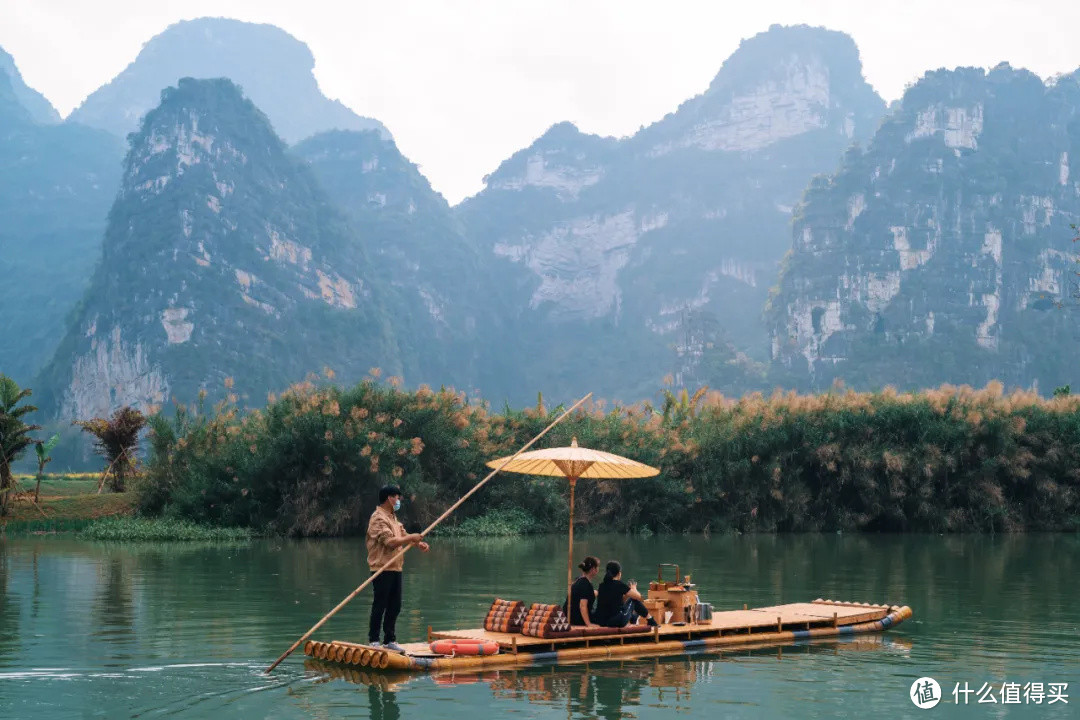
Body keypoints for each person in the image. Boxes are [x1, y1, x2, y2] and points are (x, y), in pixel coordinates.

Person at [366, 485, 428, 652]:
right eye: (397, 497)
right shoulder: (378, 518)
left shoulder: (393, 518)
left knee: (395, 605)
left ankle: (389, 640)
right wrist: (412, 537)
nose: (399, 500)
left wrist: (417, 543)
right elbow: (390, 542)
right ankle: (373, 640)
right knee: (380, 604)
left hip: (395, 567)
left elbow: (403, 535)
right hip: (381, 567)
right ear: (389, 498)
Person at [594, 560, 658, 628]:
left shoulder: (602, 585)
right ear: (619, 573)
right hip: (616, 621)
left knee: (629, 602)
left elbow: (617, 601)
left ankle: (634, 619)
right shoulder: (619, 584)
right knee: (633, 600)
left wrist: (627, 593)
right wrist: (634, 588)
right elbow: (638, 597)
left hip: (602, 622)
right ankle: (651, 620)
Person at [564, 556, 601, 626]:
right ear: (593, 569)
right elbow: (582, 606)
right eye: (597, 567)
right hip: (577, 620)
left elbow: (585, 594)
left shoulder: (578, 580)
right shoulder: (585, 585)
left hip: (570, 617)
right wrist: (588, 624)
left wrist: (597, 593)